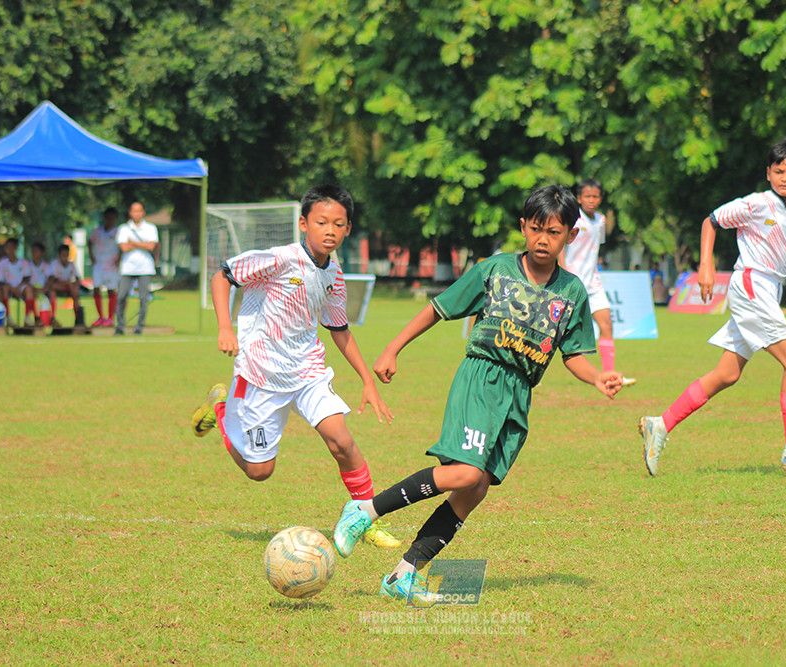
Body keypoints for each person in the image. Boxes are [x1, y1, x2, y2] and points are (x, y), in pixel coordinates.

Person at [332, 185, 623, 604]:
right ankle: (364, 511)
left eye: (554, 232)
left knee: (476, 488)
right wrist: (393, 348)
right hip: (482, 377)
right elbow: (439, 307)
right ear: (523, 227)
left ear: (572, 237)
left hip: (519, 394)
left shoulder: (572, 292)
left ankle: (403, 575)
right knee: (465, 473)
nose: (543, 239)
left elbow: (573, 355)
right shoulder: (496, 270)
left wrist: (596, 377)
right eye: (536, 229)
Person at [189, 184, 401, 550]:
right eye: (321, 222)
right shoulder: (279, 258)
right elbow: (222, 276)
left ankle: (364, 518)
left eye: (339, 224)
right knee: (259, 472)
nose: (330, 230)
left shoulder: (334, 275)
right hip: (260, 374)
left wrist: (367, 380)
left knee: (342, 441)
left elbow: (339, 330)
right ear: (304, 224)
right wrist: (225, 327)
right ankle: (221, 410)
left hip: (307, 372)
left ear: (348, 229)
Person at [638, 136, 786, 476]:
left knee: (727, 373)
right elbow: (711, 221)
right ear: (768, 173)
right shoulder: (756, 204)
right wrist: (706, 266)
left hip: (770, 289)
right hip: (751, 283)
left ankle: (660, 424)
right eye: (778, 171)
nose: (784, 178)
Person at [560, 178, 636, 385]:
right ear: (579, 198)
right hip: (571, 283)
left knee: (607, 324)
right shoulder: (573, 220)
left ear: (600, 198)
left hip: (593, 283)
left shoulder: (601, 221)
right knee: (551, 328)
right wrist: (563, 271)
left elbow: (595, 248)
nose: (591, 200)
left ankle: (609, 375)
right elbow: (560, 247)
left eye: (595, 196)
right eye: (587, 196)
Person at [114, 202, 158, 335]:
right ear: (130, 213)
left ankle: (139, 326)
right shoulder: (124, 228)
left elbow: (151, 246)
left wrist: (133, 242)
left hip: (145, 267)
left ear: (143, 212)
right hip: (127, 267)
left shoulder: (150, 228)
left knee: (144, 298)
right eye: (134, 211)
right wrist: (142, 244)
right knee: (121, 296)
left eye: (139, 211)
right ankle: (120, 326)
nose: (137, 214)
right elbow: (124, 247)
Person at [88, 206, 121, 327]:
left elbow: (122, 246)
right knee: (96, 289)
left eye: (112, 217)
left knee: (111, 290)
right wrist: (91, 255)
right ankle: (101, 317)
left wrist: (119, 259)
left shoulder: (118, 232)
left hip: (111, 266)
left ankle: (110, 318)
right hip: (99, 264)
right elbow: (89, 241)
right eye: (107, 217)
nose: (109, 219)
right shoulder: (98, 231)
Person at [0, 237, 39, 326]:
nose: (11, 250)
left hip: (21, 287)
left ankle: (27, 317)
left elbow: (26, 278)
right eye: (8, 248)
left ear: (16, 249)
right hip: (8, 287)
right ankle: (8, 318)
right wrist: (12, 288)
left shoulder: (23, 262)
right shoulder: (2, 263)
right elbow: (1, 280)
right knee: (4, 289)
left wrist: (18, 287)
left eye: (13, 248)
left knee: (28, 289)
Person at [47, 244, 84, 328]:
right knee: (52, 290)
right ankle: (52, 317)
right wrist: (67, 283)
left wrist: (76, 286)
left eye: (66, 255)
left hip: (68, 288)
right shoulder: (54, 264)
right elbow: (52, 280)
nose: (65, 257)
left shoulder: (71, 265)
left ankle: (78, 318)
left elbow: (77, 278)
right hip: (58, 287)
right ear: (59, 255)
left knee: (75, 292)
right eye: (63, 255)